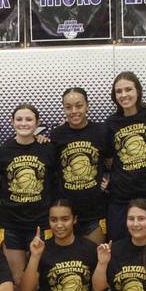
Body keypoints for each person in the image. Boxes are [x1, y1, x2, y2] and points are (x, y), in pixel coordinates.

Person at [0, 103, 57, 291]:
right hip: (11, 224)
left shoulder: (47, 148)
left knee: (40, 282)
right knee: (18, 285)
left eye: (29, 119)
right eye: (19, 119)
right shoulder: (4, 151)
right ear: (12, 122)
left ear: (37, 122)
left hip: (41, 225)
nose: (24, 123)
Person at [105, 72, 146, 241]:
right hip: (122, 198)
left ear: (138, 91)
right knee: (120, 248)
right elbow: (105, 155)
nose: (124, 95)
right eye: (119, 91)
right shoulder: (111, 123)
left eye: (128, 89)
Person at [50, 87, 109, 244]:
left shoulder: (101, 131)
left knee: (95, 263)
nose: (74, 111)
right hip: (66, 216)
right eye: (68, 107)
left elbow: (111, 164)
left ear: (87, 106)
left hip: (94, 213)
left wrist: (109, 180)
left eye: (79, 105)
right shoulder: (56, 135)